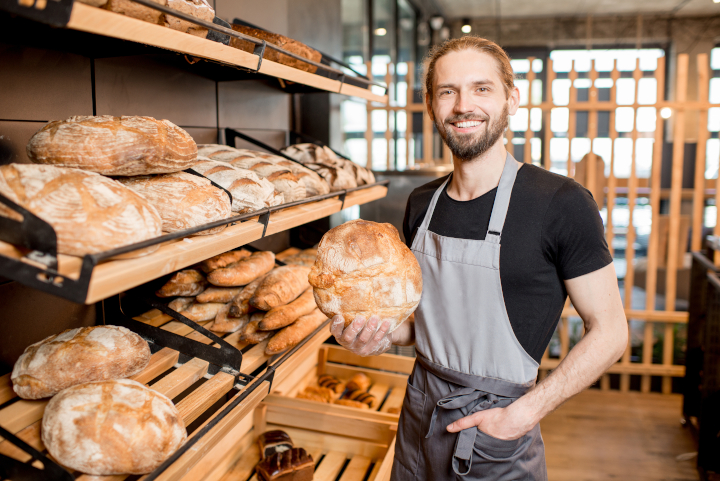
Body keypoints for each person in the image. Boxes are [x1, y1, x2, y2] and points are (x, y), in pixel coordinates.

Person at [330, 36, 628, 480]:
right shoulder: (421, 204)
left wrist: (524, 414)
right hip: (418, 417)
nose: (463, 105)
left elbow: (611, 332)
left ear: (512, 99)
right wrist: (378, 334)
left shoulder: (560, 203)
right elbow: (424, 323)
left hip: (497, 435)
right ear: (431, 105)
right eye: (448, 91)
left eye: (481, 89)